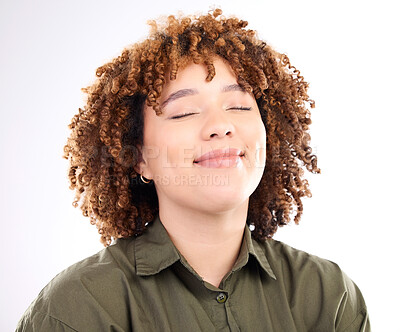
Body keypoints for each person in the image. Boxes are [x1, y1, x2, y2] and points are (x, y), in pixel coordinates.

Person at [16, 8, 370, 331]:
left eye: (239, 106)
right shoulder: (78, 308)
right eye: (184, 112)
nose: (220, 125)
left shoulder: (329, 296)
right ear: (139, 157)